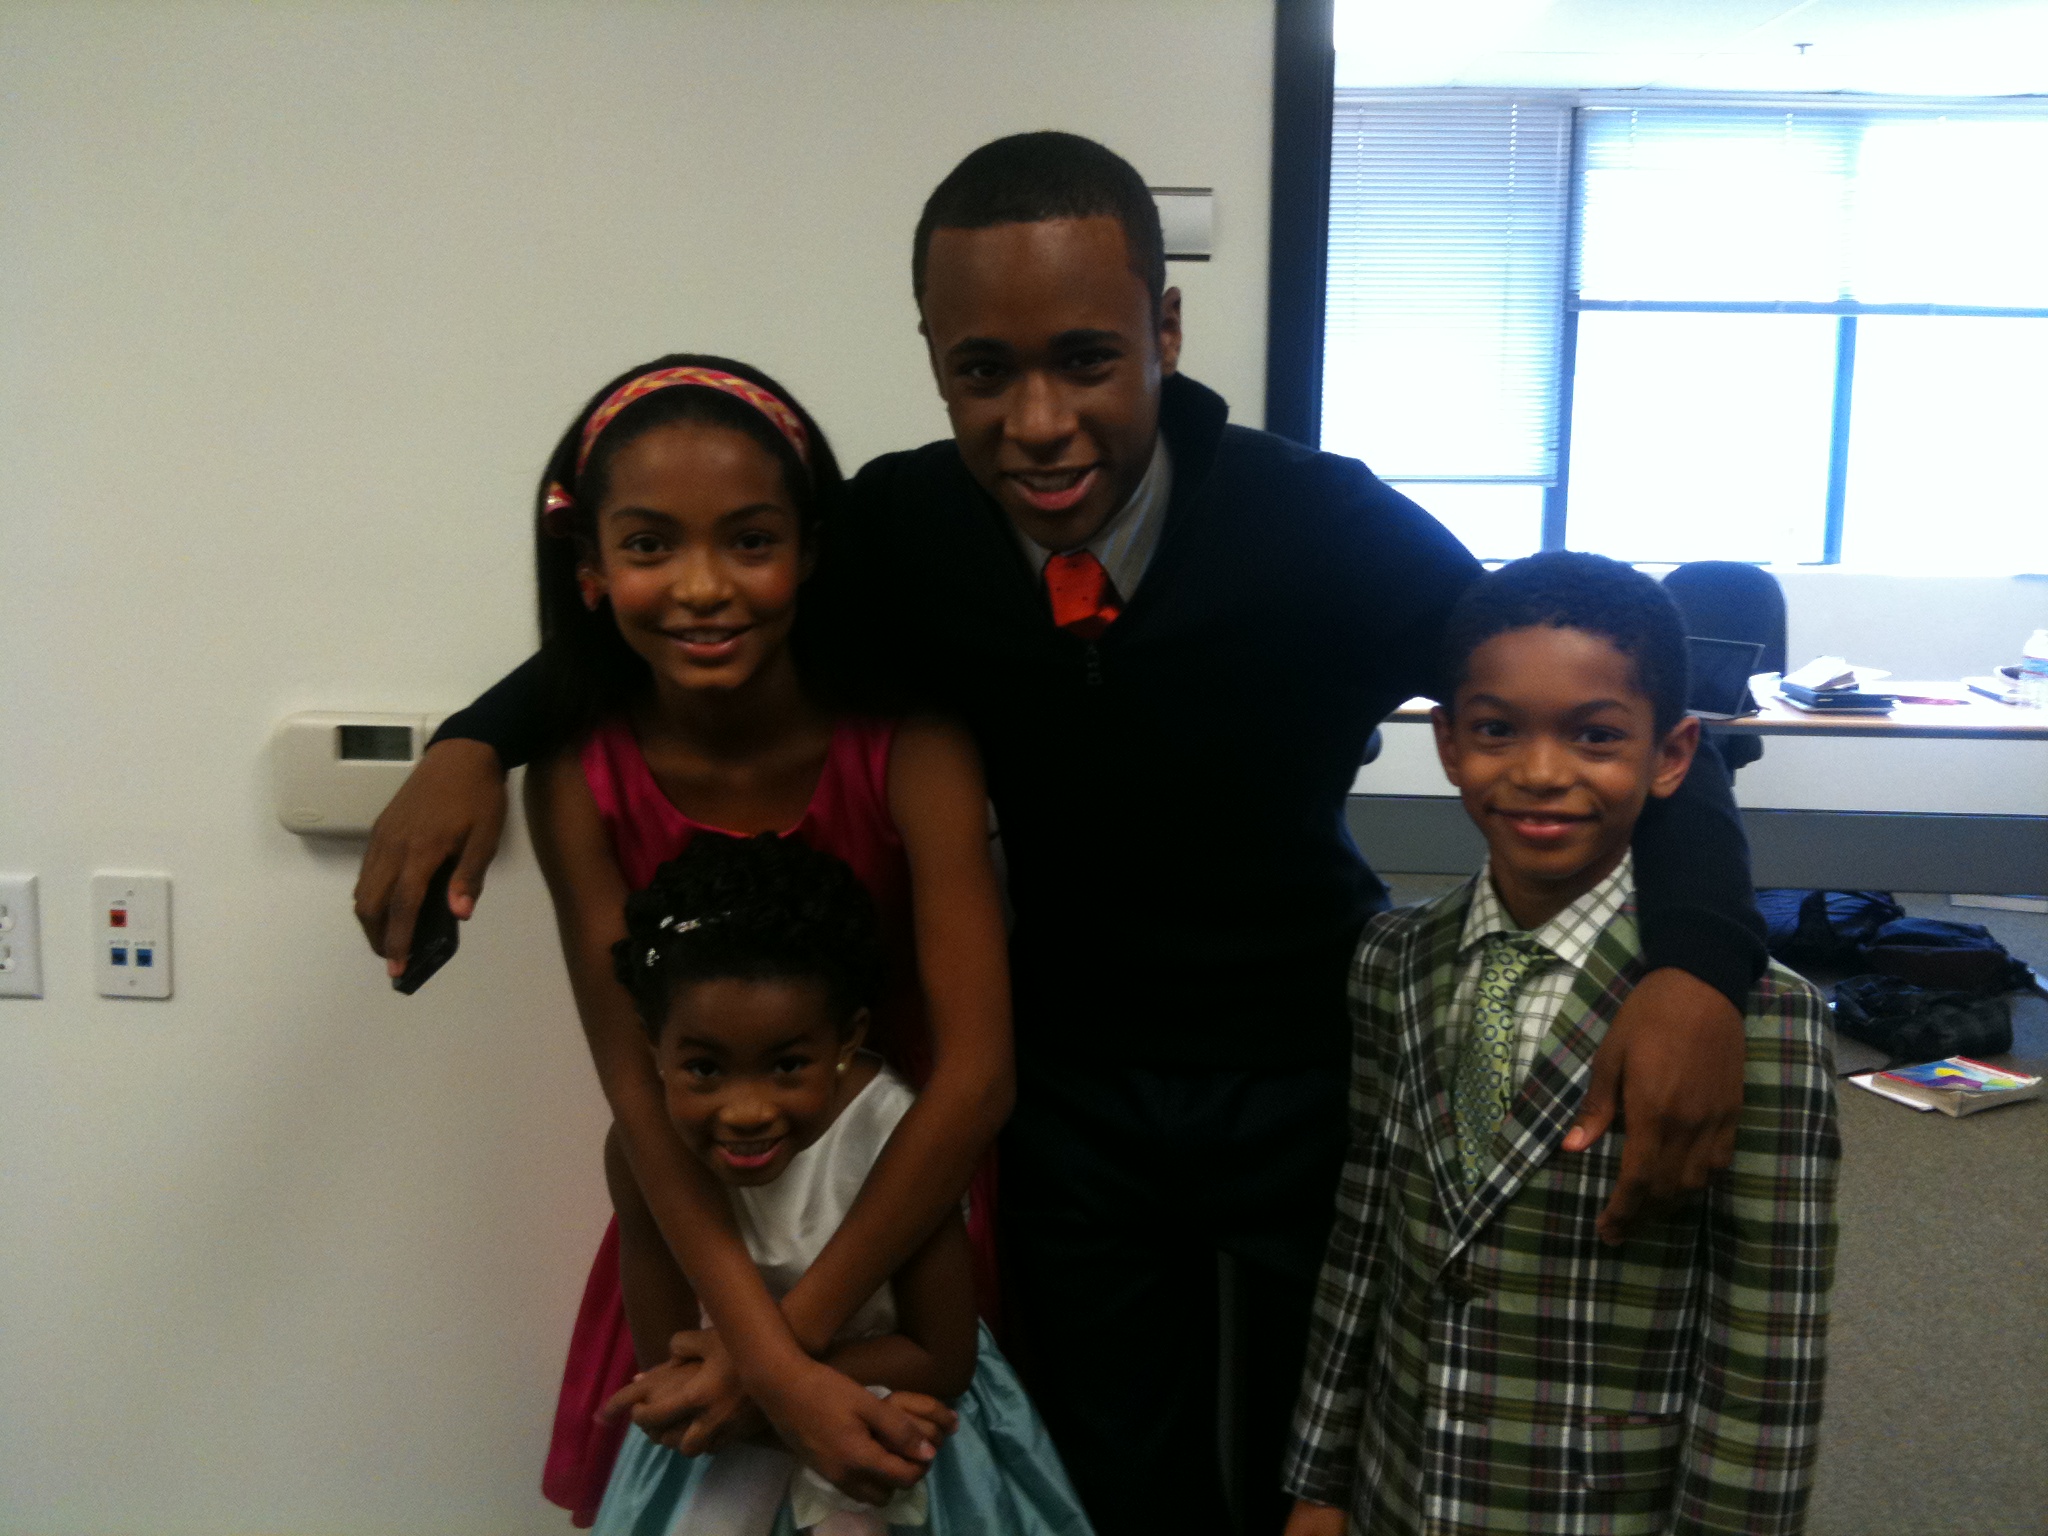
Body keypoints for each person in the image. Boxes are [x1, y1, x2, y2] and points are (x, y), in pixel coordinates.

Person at [354, 135, 1769, 1533]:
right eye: (984, 372)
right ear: (934, 357)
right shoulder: (904, 531)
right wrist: (482, 737)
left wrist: (1698, 962)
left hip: (1306, 1060)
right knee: (1116, 1465)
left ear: (1164, 329)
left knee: (1310, 1457)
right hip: (1066, 1091)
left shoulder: (1317, 526)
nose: (1036, 423)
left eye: (1087, 359)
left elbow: (1612, 696)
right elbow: (694, 596)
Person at [514, 354, 1014, 1520]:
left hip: (902, 1224)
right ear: (589, 568)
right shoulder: (577, 782)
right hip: (705, 1248)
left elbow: (977, 1078)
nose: (701, 587)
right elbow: (640, 1102)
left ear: (812, 549)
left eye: (748, 540)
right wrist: (757, 1348)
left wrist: (777, 1359)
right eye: (648, 547)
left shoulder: (913, 749)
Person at [1282, 553, 1838, 1536]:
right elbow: (1363, 1230)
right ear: (1447, 743)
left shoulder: (1761, 1022)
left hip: (1596, 1508)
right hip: (1396, 1486)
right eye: (1497, 731)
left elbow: (1766, 1343)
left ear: (1669, 756)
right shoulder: (1390, 959)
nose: (1540, 772)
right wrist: (1320, 1482)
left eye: (1592, 736)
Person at [589, 832, 1091, 1536]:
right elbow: (665, 1357)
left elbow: (943, 1357)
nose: (746, 1110)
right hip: (731, 1445)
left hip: (904, 1428)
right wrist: (781, 1402)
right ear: (652, 1044)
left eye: (787, 1065)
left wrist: (764, 1382)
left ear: (847, 1039)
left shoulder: (896, 1134)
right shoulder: (641, 1152)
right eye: (705, 1069)